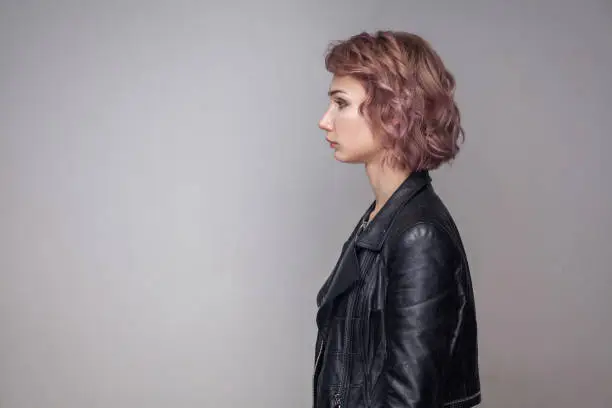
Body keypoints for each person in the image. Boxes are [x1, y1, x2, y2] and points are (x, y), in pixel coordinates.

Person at [313, 31, 481, 408]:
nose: (325, 121)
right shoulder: (379, 220)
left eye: (340, 103)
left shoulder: (418, 236)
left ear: (392, 112)